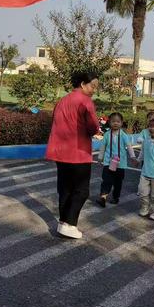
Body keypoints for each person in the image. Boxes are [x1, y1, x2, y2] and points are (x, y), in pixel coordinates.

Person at [46, 71, 100, 239]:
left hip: (60, 152)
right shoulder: (85, 101)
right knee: (81, 191)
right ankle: (69, 224)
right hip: (78, 152)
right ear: (83, 84)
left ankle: (63, 222)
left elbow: (54, 121)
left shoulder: (62, 100)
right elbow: (93, 127)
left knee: (65, 188)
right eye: (93, 86)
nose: (94, 90)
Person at [97, 113, 136, 207]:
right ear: (109, 122)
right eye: (113, 121)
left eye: (118, 121)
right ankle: (103, 197)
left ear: (121, 123)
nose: (115, 123)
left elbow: (129, 146)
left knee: (118, 182)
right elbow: (103, 147)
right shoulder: (106, 135)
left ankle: (115, 197)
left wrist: (133, 157)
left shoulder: (123, 135)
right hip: (108, 162)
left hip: (120, 163)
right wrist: (100, 157)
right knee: (106, 180)